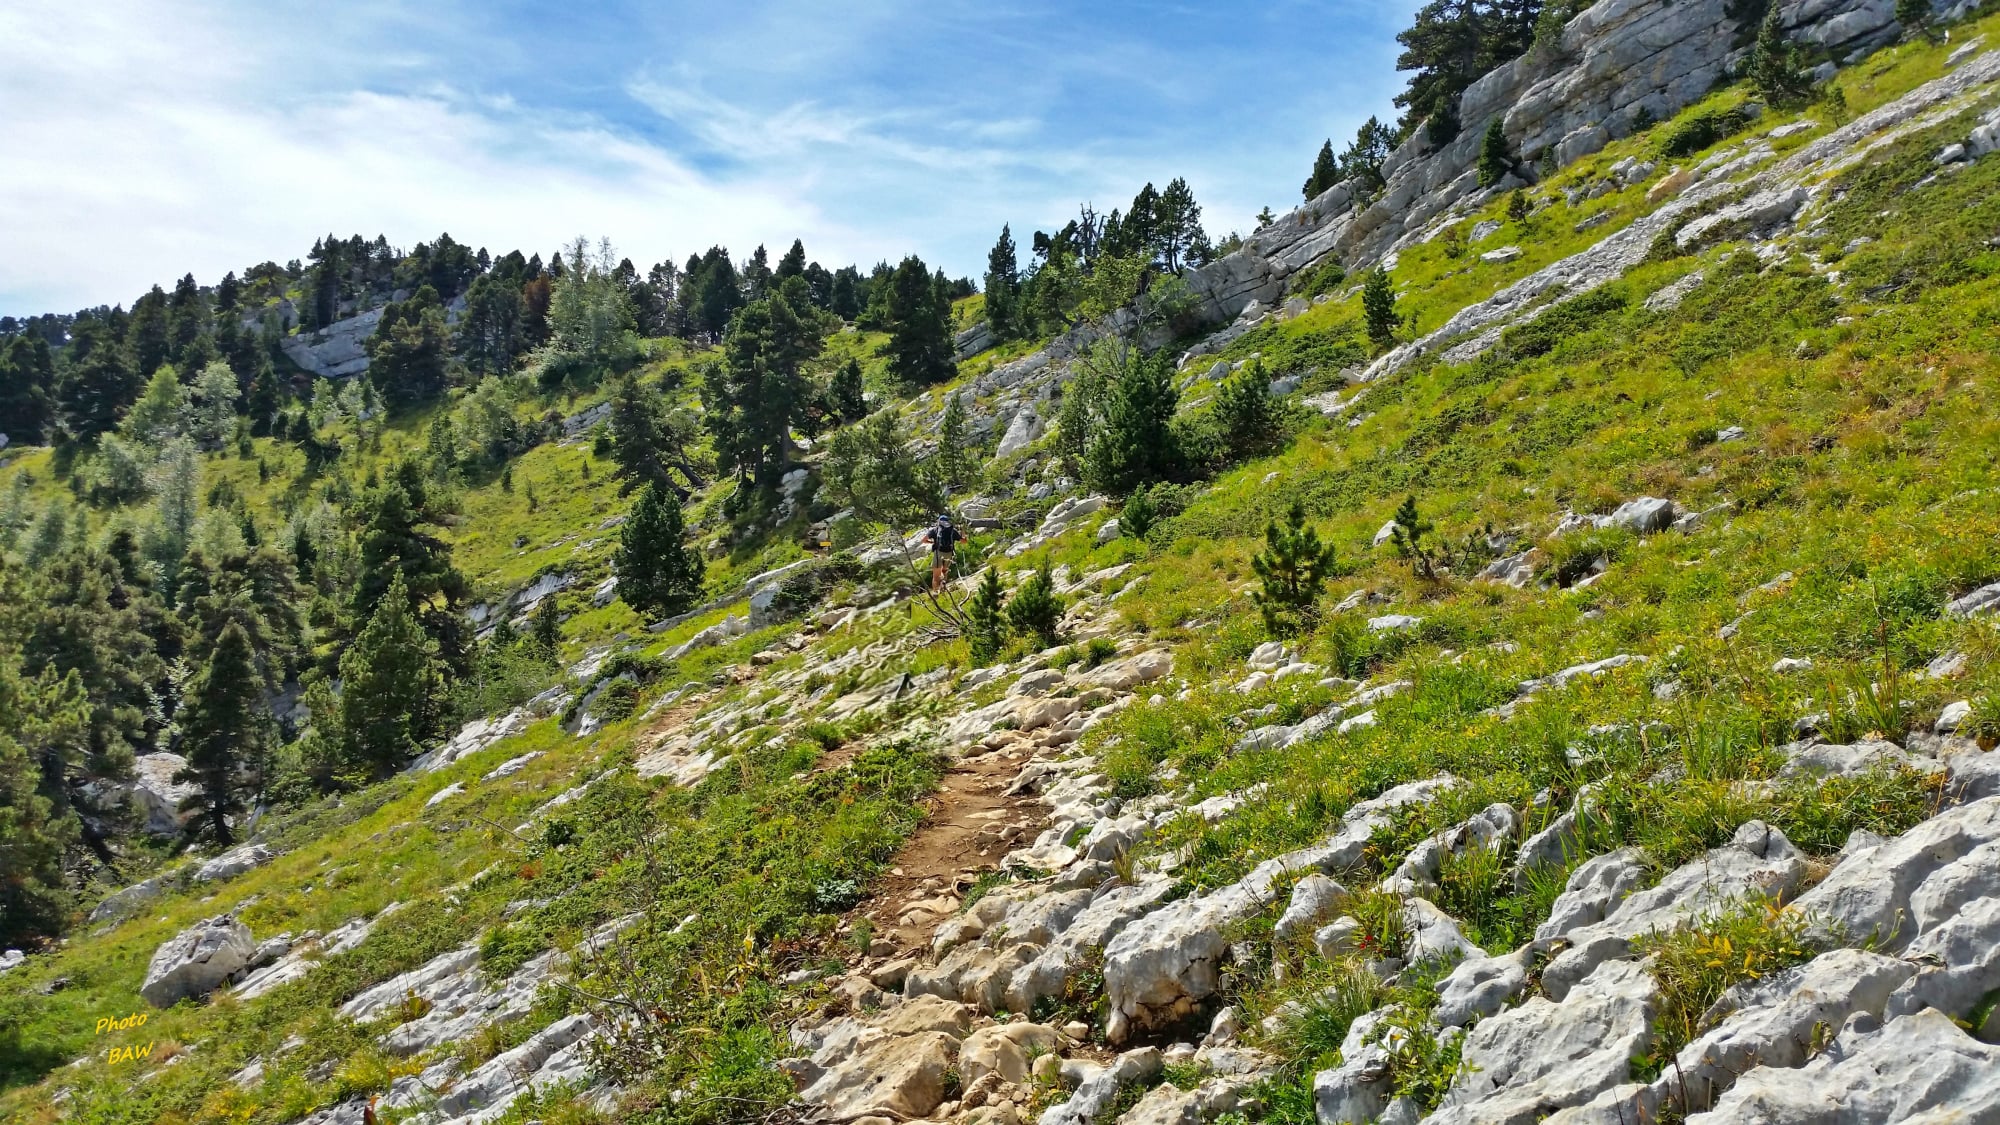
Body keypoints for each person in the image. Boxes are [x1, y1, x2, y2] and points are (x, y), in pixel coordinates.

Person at [920, 513, 960, 593]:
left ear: (939, 522)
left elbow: (923, 540)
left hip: (938, 553)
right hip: (949, 553)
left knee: (936, 576)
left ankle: (935, 593)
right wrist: (963, 532)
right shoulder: (952, 530)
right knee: (944, 571)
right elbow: (963, 541)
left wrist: (931, 542)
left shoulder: (935, 530)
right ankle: (943, 590)